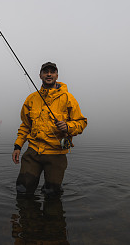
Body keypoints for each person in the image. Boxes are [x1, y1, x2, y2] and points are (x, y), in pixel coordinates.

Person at [12, 62, 87, 196]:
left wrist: (68, 126)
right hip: (33, 152)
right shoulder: (31, 99)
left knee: (52, 193)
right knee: (22, 189)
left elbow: (81, 123)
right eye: (45, 71)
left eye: (52, 72)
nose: (49, 74)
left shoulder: (68, 98)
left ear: (57, 75)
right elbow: (25, 126)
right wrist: (17, 146)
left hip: (56, 153)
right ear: (40, 75)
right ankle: (27, 216)